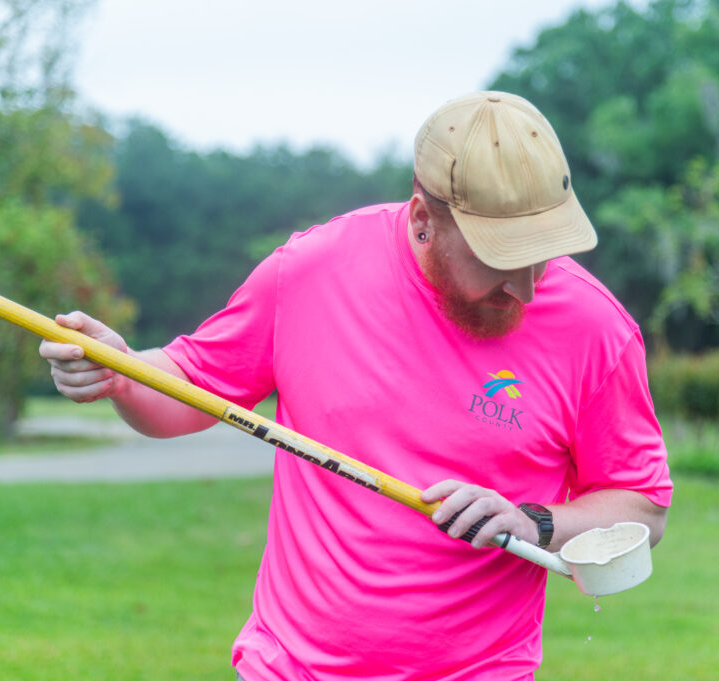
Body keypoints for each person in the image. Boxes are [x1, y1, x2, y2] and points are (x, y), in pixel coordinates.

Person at [40, 91, 672, 681]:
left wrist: (532, 522)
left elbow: (642, 507)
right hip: (291, 666)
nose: (527, 289)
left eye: (541, 253)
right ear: (424, 219)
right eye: (500, 258)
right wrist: (121, 373)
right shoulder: (312, 271)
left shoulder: (597, 330)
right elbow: (189, 389)